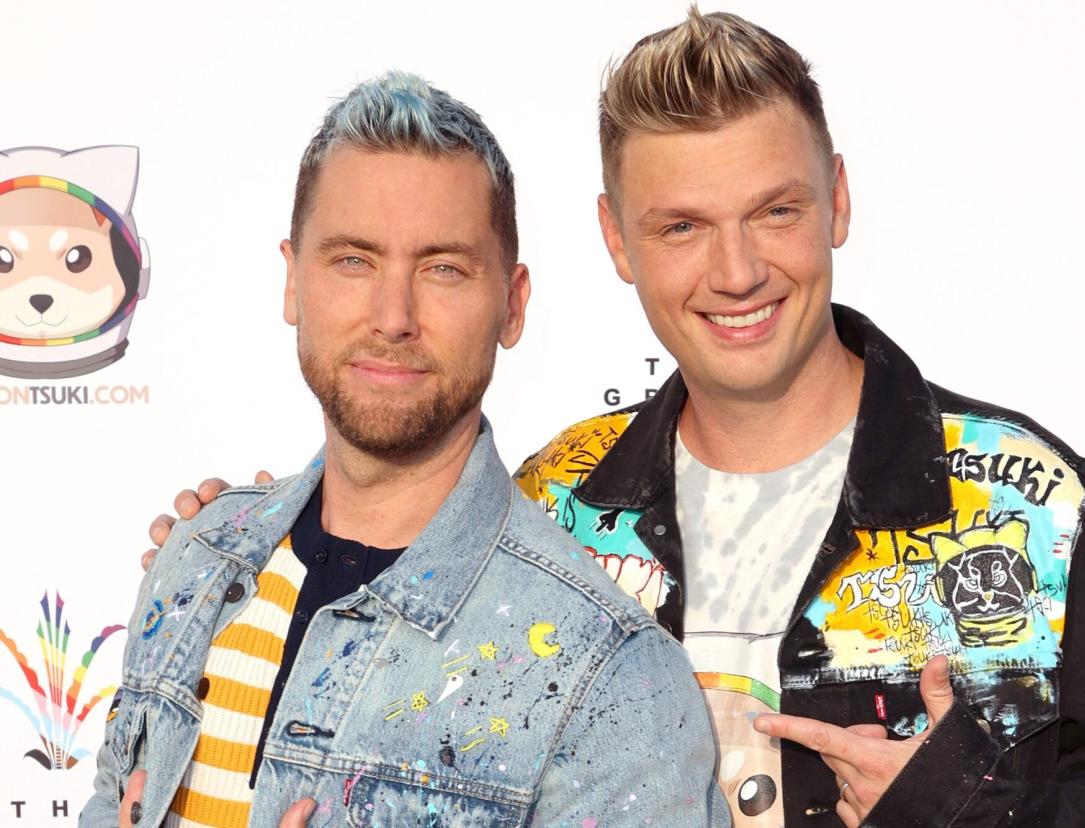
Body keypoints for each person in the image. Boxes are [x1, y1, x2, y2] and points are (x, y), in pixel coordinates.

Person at [149, 10, 1085, 828]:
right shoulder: (549, 503)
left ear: (837, 202)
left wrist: (962, 809)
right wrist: (251, 544)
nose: (735, 272)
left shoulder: (1026, 501)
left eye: (774, 210)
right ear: (616, 242)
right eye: (678, 227)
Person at [83, 70, 725, 828]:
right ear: (293, 282)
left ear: (511, 305)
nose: (393, 316)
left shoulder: (607, 673)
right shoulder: (195, 562)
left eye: (442, 268)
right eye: (353, 260)